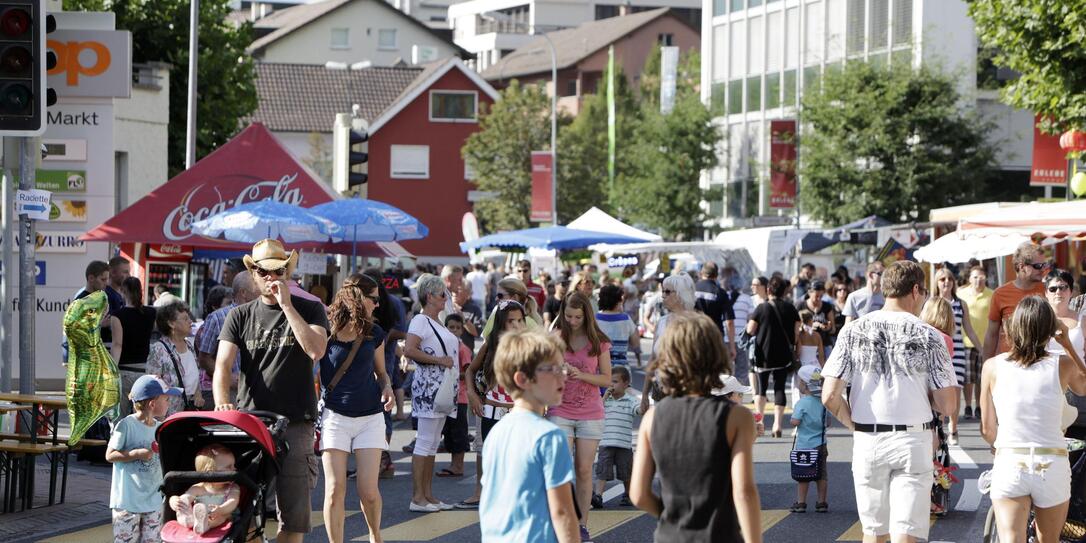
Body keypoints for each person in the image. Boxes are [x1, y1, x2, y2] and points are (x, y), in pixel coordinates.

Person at [821, 260, 959, 543]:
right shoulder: (930, 335)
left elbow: (830, 396)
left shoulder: (852, 330)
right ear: (916, 290)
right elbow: (948, 405)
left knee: (873, 531)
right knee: (906, 532)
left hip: (868, 438)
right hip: (912, 439)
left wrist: (855, 425)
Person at [213, 239, 330, 543]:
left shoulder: (310, 308)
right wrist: (222, 403)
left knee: (294, 518)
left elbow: (316, 349)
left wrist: (287, 306)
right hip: (252, 423)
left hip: (296, 423)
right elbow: (222, 366)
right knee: (244, 512)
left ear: (288, 272)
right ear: (253, 274)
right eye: (263, 272)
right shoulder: (239, 315)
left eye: (278, 271)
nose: (271, 278)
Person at [629, 312, 760, 542]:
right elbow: (744, 491)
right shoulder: (737, 416)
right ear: (715, 354)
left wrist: (670, 516)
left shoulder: (653, 417)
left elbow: (638, 494)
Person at [980, 296, 1086, 543]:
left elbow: (987, 429)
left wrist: (999, 447)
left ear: (1013, 327)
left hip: (1011, 460)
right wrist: (1068, 344)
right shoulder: (1062, 364)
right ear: (1050, 330)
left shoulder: (992, 367)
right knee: (1048, 539)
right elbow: (1083, 387)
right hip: (1051, 462)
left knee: (1011, 538)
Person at [479, 329, 579, 542]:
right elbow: (562, 512)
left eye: (562, 367)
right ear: (523, 379)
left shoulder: (497, 433)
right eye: (553, 369)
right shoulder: (549, 437)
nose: (563, 374)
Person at [318, 273, 394, 543]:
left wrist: (387, 387)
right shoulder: (326, 329)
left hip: (370, 417)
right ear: (356, 296)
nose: (377, 304)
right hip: (335, 416)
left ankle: (375, 537)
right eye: (373, 298)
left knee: (369, 491)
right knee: (334, 490)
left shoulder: (375, 332)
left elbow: (382, 373)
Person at [550, 291, 612, 540]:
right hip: (560, 409)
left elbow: (607, 379)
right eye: (568, 316)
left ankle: (582, 524)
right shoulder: (556, 337)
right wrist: (557, 371)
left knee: (585, 470)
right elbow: (543, 370)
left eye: (577, 317)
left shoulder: (599, 340)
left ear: (586, 314)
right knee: (562, 470)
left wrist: (580, 374)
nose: (573, 321)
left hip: (590, 412)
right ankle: (562, 522)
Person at [462, 299, 529, 509]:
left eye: (520, 320)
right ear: (501, 323)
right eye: (511, 321)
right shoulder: (490, 344)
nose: (517, 325)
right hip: (490, 411)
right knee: (491, 460)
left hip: (519, 414)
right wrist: (472, 394)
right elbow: (470, 370)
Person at [403, 273, 459, 512]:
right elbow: (409, 350)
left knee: (433, 442)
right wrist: (439, 361)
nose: (445, 298)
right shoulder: (420, 321)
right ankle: (418, 497)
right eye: (441, 294)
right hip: (428, 387)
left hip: (440, 388)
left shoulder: (436, 321)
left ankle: (427, 494)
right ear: (430, 296)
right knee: (425, 442)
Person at [107, 375, 179, 543]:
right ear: (152, 404)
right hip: (127, 502)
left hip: (153, 500)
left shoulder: (160, 428)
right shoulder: (126, 425)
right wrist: (135, 454)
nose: (169, 403)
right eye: (166, 399)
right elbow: (110, 455)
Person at [362, 267, 409, 473]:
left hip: (385, 359)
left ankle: (383, 458)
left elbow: (402, 331)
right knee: (369, 409)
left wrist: (385, 336)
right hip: (362, 361)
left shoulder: (393, 303)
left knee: (383, 409)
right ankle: (377, 459)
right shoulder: (361, 301)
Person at [747, 276, 801, 437]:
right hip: (783, 355)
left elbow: (750, 330)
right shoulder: (791, 309)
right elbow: (797, 332)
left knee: (761, 389)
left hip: (763, 354)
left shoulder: (761, 308)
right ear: (784, 291)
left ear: (769, 290)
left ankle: (760, 422)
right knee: (779, 388)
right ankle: (777, 425)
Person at [195, 273, 258, 410]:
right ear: (244, 293)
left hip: (256, 391)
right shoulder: (218, 318)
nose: (262, 292)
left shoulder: (263, 316)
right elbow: (204, 358)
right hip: (229, 393)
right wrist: (228, 378)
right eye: (257, 288)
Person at [934, 267, 982, 443]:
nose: (946, 282)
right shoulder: (931, 303)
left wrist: (982, 349)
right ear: (936, 283)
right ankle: (939, 426)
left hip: (958, 352)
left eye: (949, 279)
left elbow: (968, 329)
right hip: (936, 353)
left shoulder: (961, 304)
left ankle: (953, 428)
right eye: (942, 279)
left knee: (955, 391)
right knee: (937, 389)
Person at [639, 273, 698, 415]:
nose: (662, 295)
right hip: (660, 393)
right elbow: (653, 359)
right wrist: (645, 394)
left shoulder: (695, 323)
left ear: (680, 295)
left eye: (667, 291)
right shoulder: (662, 322)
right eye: (662, 291)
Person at [983, 242, 1048, 361]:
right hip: (1010, 362)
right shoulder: (1000, 294)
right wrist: (985, 366)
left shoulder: (1049, 291)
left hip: (1042, 362)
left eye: (1044, 265)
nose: (1043, 269)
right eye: (1038, 266)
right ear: (1022, 266)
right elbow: (992, 334)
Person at [591, 366, 639, 509]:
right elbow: (596, 410)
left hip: (623, 443)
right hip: (606, 441)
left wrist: (644, 405)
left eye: (616, 382)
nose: (612, 385)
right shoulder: (605, 400)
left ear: (626, 384)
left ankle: (628, 494)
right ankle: (598, 495)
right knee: (603, 469)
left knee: (626, 471)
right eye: (610, 382)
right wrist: (604, 396)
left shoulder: (630, 400)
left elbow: (639, 410)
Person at [109, 277, 157, 417]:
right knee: (142, 417)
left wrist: (112, 371)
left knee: (120, 417)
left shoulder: (117, 316)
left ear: (123, 291)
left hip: (124, 372)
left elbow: (117, 345)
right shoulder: (151, 313)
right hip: (144, 371)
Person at [170, 444, 241, 535]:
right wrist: (175, 501)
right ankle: (188, 520)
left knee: (223, 517)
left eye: (233, 465)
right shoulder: (198, 488)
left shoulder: (232, 487)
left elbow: (233, 502)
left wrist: (221, 510)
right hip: (199, 517)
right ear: (210, 472)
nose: (234, 469)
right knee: (182, 501)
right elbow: (186, 497)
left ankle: (207, 525)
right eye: (229, 466)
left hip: (224, 515)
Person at [146, 302, 203, 416]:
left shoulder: (190, 346)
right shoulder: (158, 350)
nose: (190, 321)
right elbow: (151, 385)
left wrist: (198, 395)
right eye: (185, 319)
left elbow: (195, 377)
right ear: (171, 323)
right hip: (167, 416)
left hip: (189, 412)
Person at [438, 314, 472, 479]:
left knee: (459, 432)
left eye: (458, 328)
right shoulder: (444, 347)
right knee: (449, 433)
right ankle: (454, 464)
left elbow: (468, 372)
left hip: (460, 398)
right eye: (451, 327)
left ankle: (458, 465)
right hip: (447, 396)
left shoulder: (462, 349)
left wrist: (453, 374)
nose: (454, 330)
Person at [790, 365, 829, 513]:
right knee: (822, 475)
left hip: (805, 445)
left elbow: (795, 421)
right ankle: (822, 502)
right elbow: (828, 422)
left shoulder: (802, 403)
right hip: (821, 443)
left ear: (805, 385)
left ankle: (801, 503)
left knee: (803, 475)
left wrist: (796, 421)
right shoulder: (823, 402)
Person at [957, 265, 993, 419]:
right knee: (968, 378)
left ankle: (979, 405)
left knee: (981, 377)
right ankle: (967, 406)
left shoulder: (991, 294)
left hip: (985, 342)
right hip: (966, 341)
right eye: (975, 277)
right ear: (970, 279)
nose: (978, 280)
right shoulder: (961, 294)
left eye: (981, 277)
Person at [695, 262, 737, 360]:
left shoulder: (691, 289)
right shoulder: (721, 293)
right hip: (714, 338)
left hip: (693, 335)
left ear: (701, 273)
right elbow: (729, 322)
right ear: (716, 276)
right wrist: (732, 347)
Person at [596, 284, 640, 367]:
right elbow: (635, 343)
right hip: (621, 368)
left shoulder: (594, 319)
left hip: (599, 368)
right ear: (618, 301)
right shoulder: (626, 319)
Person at [791, 310, 826, 409]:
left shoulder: (799, 335)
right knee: (814, 390)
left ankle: (800, 412)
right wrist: (822, 369)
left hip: (803, 366)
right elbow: (821, 356)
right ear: (810, 320)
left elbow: (798, 352)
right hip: (815, 366)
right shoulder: (817, 335)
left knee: (800, 391)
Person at [797, 280, 835, 355]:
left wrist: (828, 328)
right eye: (816, 296)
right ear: (809, 293)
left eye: (821, 296)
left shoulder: (827, 306)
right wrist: (809, 327)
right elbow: (796, 327)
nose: (819, 299)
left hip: (824, 344)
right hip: (806, 345)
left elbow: (833, 329)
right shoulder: (801, 306)